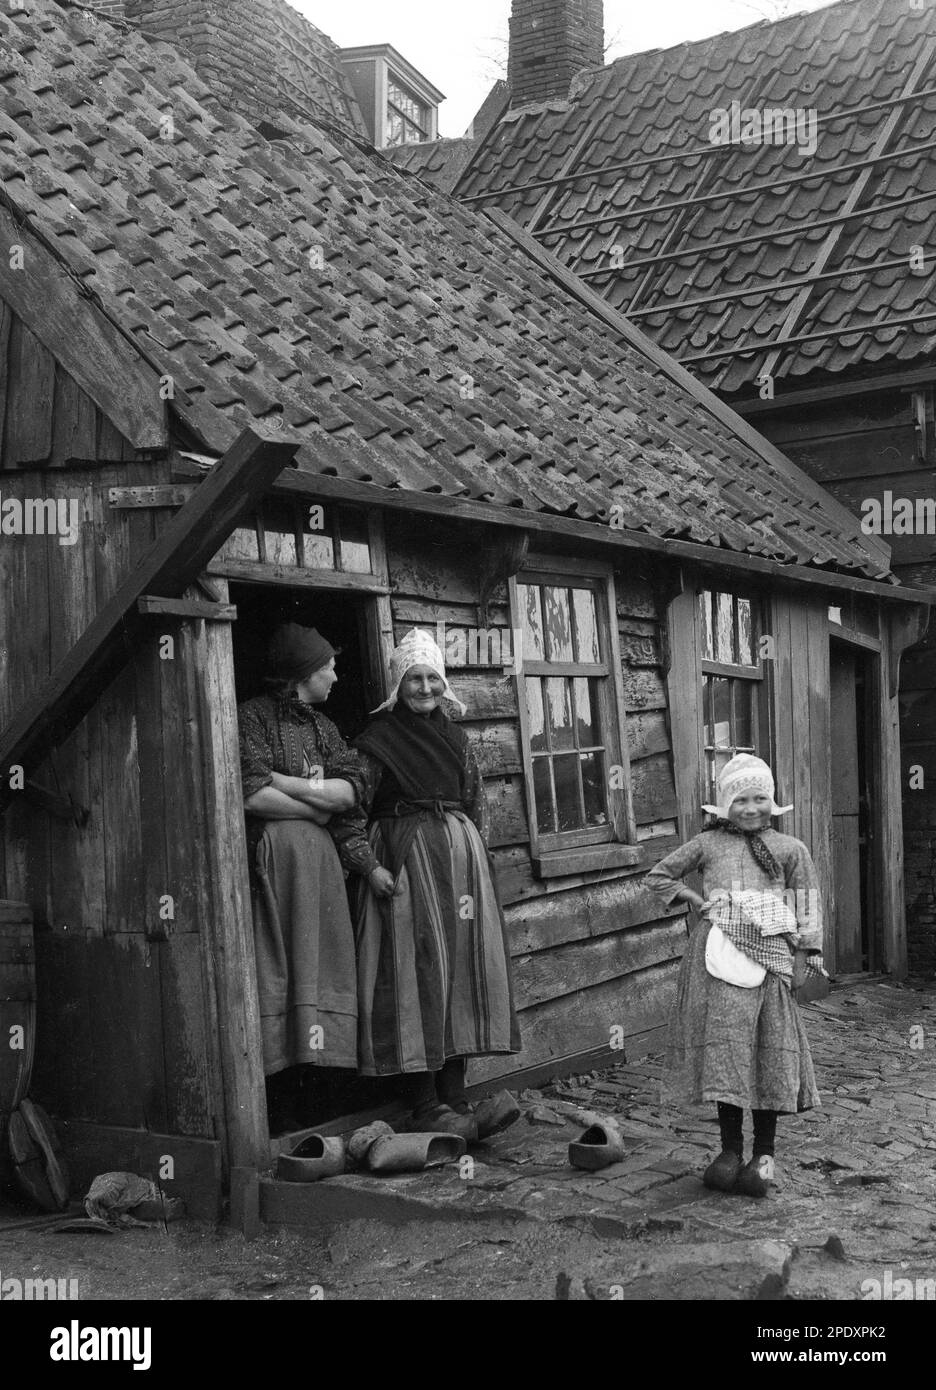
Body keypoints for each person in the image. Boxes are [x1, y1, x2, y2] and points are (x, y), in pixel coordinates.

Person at [337, 629, 521, 1142]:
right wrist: (370, 866)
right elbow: (347, 815)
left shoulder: (456, 738)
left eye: (433, 678)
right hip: (405, 867)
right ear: (398, 683)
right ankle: (423, 1103)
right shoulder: (375, 743)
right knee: (416, 972)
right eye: (414, 678)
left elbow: (476, 803)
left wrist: (477, 861)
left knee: (459, 968)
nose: (424, 688)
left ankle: (457, 1097)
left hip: (460, 869)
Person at [645, 753, 825, 1198]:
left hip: (769, 964)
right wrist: (693, 898)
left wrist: (805, 955)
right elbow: (659, 875)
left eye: (759, 798)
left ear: (772, 801)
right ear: (726, 805)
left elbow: (806, 905)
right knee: (727, 1053)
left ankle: (764, 1153)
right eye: (740, 799)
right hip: (718, 962)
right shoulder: (708, 845)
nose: (750, 808)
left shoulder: (790, 849)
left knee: (769, 1053)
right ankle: (729, 1150)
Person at [238, 623, 366, 1133]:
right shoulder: (252, 718)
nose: (336, 675)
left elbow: (348, 793)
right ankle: (283, 1103)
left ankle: (324, 1096)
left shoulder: (324, 728)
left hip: (322, 870)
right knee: (283, 967)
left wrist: (289, 787)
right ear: (304, 673)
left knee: (324, 964)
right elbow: (250, 793)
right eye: (329, 666)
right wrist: (314, 807)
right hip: (276, 868)